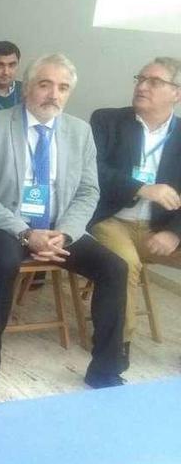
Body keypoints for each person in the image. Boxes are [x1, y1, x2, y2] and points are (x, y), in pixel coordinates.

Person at [0, 53, 127, 392]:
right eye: (45, 84)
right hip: (7, 223)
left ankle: (105, 367)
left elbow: (88, 191)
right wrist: (25, 232)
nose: (54, 94)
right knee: (5, 260)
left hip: (59, 227)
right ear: (27, 89)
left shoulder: (79, 132)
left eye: (63, 88)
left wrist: (65, 234)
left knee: (115, 268)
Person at [89, 57, 181, 366]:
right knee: (124, 263)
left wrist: (173, 232)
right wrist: (141, 188)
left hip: (161, 229)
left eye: (154, 82)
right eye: (140, 78)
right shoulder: (107, 120)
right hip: (113, 221)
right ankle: (118, 344)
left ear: (177, 93)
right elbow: (94, 170)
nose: (142, 86)